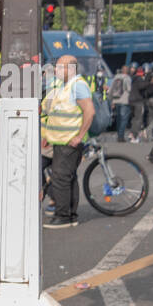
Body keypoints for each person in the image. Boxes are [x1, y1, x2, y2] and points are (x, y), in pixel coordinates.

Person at [41, 55, 94, 228]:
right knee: (68, 178)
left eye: (58, 67)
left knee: (61, 177)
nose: (55, 70)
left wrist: (79, 136)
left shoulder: (77, 86)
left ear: (70, 69)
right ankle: (70, 215)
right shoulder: (65, 86)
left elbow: (89, 111)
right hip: (61, 141)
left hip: (69, 142)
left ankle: (63, 216)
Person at [110, 65, 132, 143]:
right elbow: (129, 89)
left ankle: (119, 134)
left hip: (116, 100)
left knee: (119, 119)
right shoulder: (127, 78)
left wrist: (111, 101)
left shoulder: (116, 77)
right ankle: (121, 136)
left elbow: (111, 89)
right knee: (124, 119)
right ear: (127, 71)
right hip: (124, 100)